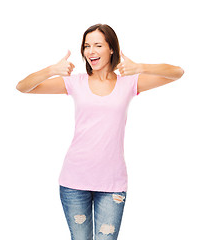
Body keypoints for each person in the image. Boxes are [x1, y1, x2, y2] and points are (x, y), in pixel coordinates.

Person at [16, 23, 184, 240]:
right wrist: (51, 71)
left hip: (112, 183)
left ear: (111, 49)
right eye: (86, 46)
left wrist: (141, 67)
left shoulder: (129, 83)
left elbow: (177, 73)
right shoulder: (75, 82)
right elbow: (23, 87)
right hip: (74, 181)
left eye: (97, 45)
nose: (90, 51)